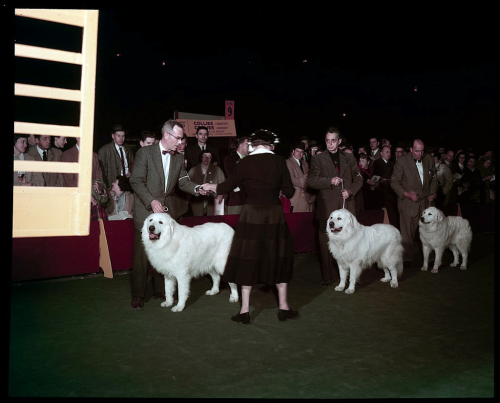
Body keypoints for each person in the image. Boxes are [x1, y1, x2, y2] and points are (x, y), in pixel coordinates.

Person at [201, 129, 297, 324]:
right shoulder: (279, 162)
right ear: (271, 145)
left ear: (253, 145)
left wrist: (211, 187)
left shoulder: (244, 162)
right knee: (278, 256)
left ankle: (244, 311)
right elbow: (289, 192)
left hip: (251, 214)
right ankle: (284, 308)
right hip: (274, 214)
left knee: (247, 258)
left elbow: (227, 186)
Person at [129, 119, 207, 310]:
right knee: (142, 256)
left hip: (165, 215)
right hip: (145, 212)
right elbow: (136, 181)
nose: (180, 142)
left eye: (182, 139)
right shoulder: (145, 153)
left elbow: (183, 182)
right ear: (167, 135)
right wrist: (151, 200)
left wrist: (198, 188)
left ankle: (159, 290)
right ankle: (138, 295)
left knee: (164, 253)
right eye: (178, 138)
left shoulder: (179, 158)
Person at [307, 127, 363, 287]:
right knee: (325, 243)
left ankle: (354, 277)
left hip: (347, 206)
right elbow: (311, 181)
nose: (330, 144)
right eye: (327, 140)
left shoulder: (349, 157)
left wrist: (350, 191)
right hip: (327, 207)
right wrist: (328, 181)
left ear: (339, 141)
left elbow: (359, 179)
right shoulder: (318, 159)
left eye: (333, 140)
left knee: (352, 242)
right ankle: (327, 276)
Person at [390, 139, 438, 268]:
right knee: (408, 234)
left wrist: (433, 191)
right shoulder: (401, 161)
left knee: (429, 231)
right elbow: (394, 182)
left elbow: (434, 178)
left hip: (426, 202)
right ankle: (407, 257)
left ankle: (431, 256)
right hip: (408, 203)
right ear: (411, 149)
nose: (420, 154)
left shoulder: (428, 159)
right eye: (417, 151)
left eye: (422, 151)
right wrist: (406, 194)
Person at [187, 150, 226, 216]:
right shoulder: (193, 170)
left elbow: (224, 185)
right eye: (204, 156)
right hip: (197, 203)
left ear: (211, 159)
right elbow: (187, 185)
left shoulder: (217, 170)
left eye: (209, 157)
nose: (206, 159)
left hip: (212, 203)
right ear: (201, 157)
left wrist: (221, 194)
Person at [372, 145, 399, 228]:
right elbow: (374, 177)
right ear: (381, 153)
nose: (389, 154)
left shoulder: (392, 163)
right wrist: (381, 179)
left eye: (390, 152)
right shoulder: (377, 163)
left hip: (392, 193)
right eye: (387, 152)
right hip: (382, 193)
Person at [286, 141, 316, 212]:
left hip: (308, 197)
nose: (299, 154)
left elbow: (311, 180)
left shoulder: (305, 163)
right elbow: (293, 180)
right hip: (297, 197)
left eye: (302, 152)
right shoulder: (288, 162)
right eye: (297, 151)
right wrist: (307, 177)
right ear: (293, 151)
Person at [224, 136, 250, 214]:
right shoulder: (230, 159)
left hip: (250, 201)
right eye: (247, 145)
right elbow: (233, 178)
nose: (249, 147)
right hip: (236, 200)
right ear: (240, 145)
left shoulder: (251, 160)